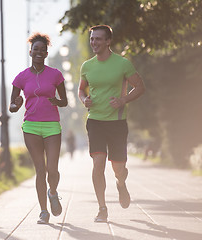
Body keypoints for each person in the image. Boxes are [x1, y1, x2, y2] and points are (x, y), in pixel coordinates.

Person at [78, 25, 145, 222]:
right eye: (92, 39)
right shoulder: (87, 66)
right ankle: (102, 208)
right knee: (98, 165)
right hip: (95, 121)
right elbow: (82, 90)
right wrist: (84, 100)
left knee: (118, 168)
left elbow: (139, 87)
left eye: (98, 39)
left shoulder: (123, 64)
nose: (94, 42)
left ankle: (121, 183)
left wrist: (123, 100)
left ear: (108, 41)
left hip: (117, 122)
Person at [9, 32, 68, 224]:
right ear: (30, 52)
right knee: (40, 170)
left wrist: (56, 101)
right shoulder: (21, 77)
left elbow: (65, 101)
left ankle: (53, 192)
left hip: (52, 125)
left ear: (46, 52)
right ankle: (43, 211)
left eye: (43, 49)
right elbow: (12, 106)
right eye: (36, 49)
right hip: (31, 126)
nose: (39, 52)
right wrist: (16, 104)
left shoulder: (56, 75)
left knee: (53, 169)